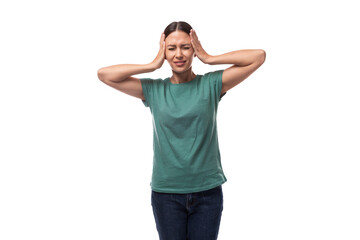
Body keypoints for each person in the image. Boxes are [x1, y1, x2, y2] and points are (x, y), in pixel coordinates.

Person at [97, 21, 265, 240]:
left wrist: (209, 58)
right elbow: (104, 74)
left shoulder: (212, 84)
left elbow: (258, 56)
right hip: (166, 194)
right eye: (171, 48)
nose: (179, 54)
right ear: (164, 52)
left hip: (207, 192)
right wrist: (152, 64)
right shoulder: (154, 90)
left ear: (194, 49)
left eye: (186, 47)